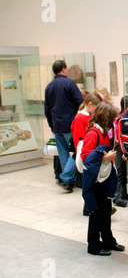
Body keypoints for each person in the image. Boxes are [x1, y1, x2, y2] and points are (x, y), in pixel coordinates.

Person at [80, 101, 124, 256]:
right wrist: (105, 157)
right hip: (97, 179)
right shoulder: (94, 133)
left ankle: (107, 240)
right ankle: (93, 244)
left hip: (103, 177)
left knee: (105, 211)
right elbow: (86, 155)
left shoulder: (104, 132)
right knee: (96, 211)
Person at [44, 60, 84, 192]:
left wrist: (52, 126)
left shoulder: (49, 87)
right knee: (76, 151)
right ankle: (66, 177)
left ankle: (68, 182)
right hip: (70, 125)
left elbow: (47, 110)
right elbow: (80, 102)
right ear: (64, 69)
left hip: (57, 125)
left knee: (62, 153)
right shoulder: (69, 83)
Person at [71, 92, 103, 215]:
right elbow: (79, 140)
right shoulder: (80, 118)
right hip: (86, 153)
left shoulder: (89, 115)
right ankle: (90, 208)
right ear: (90, 104)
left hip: (91, 151)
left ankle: (90, 207)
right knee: (89, 183)